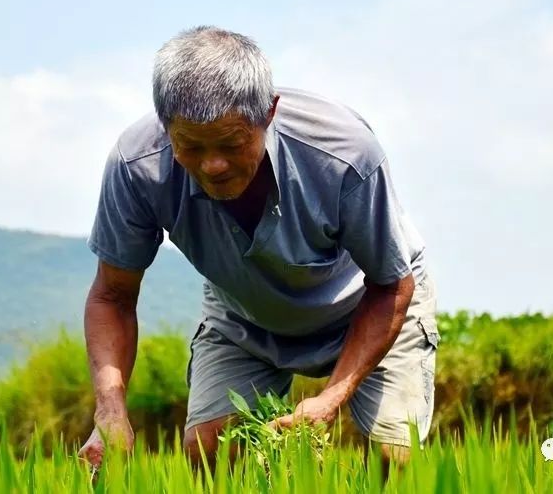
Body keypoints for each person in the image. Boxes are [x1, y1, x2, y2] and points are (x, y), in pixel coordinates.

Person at [77, 25, 441, 475]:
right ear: (164, 123)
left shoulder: (343, 154)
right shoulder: (137, 166)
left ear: (269, 113)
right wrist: (110, 411)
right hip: (245, 312)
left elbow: (391, 284)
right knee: (211, 450)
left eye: (231, 144)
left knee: (395, 458)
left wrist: (329, 399)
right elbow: (112, 295)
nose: (212, 165)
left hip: (365, 301)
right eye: (190, 147)